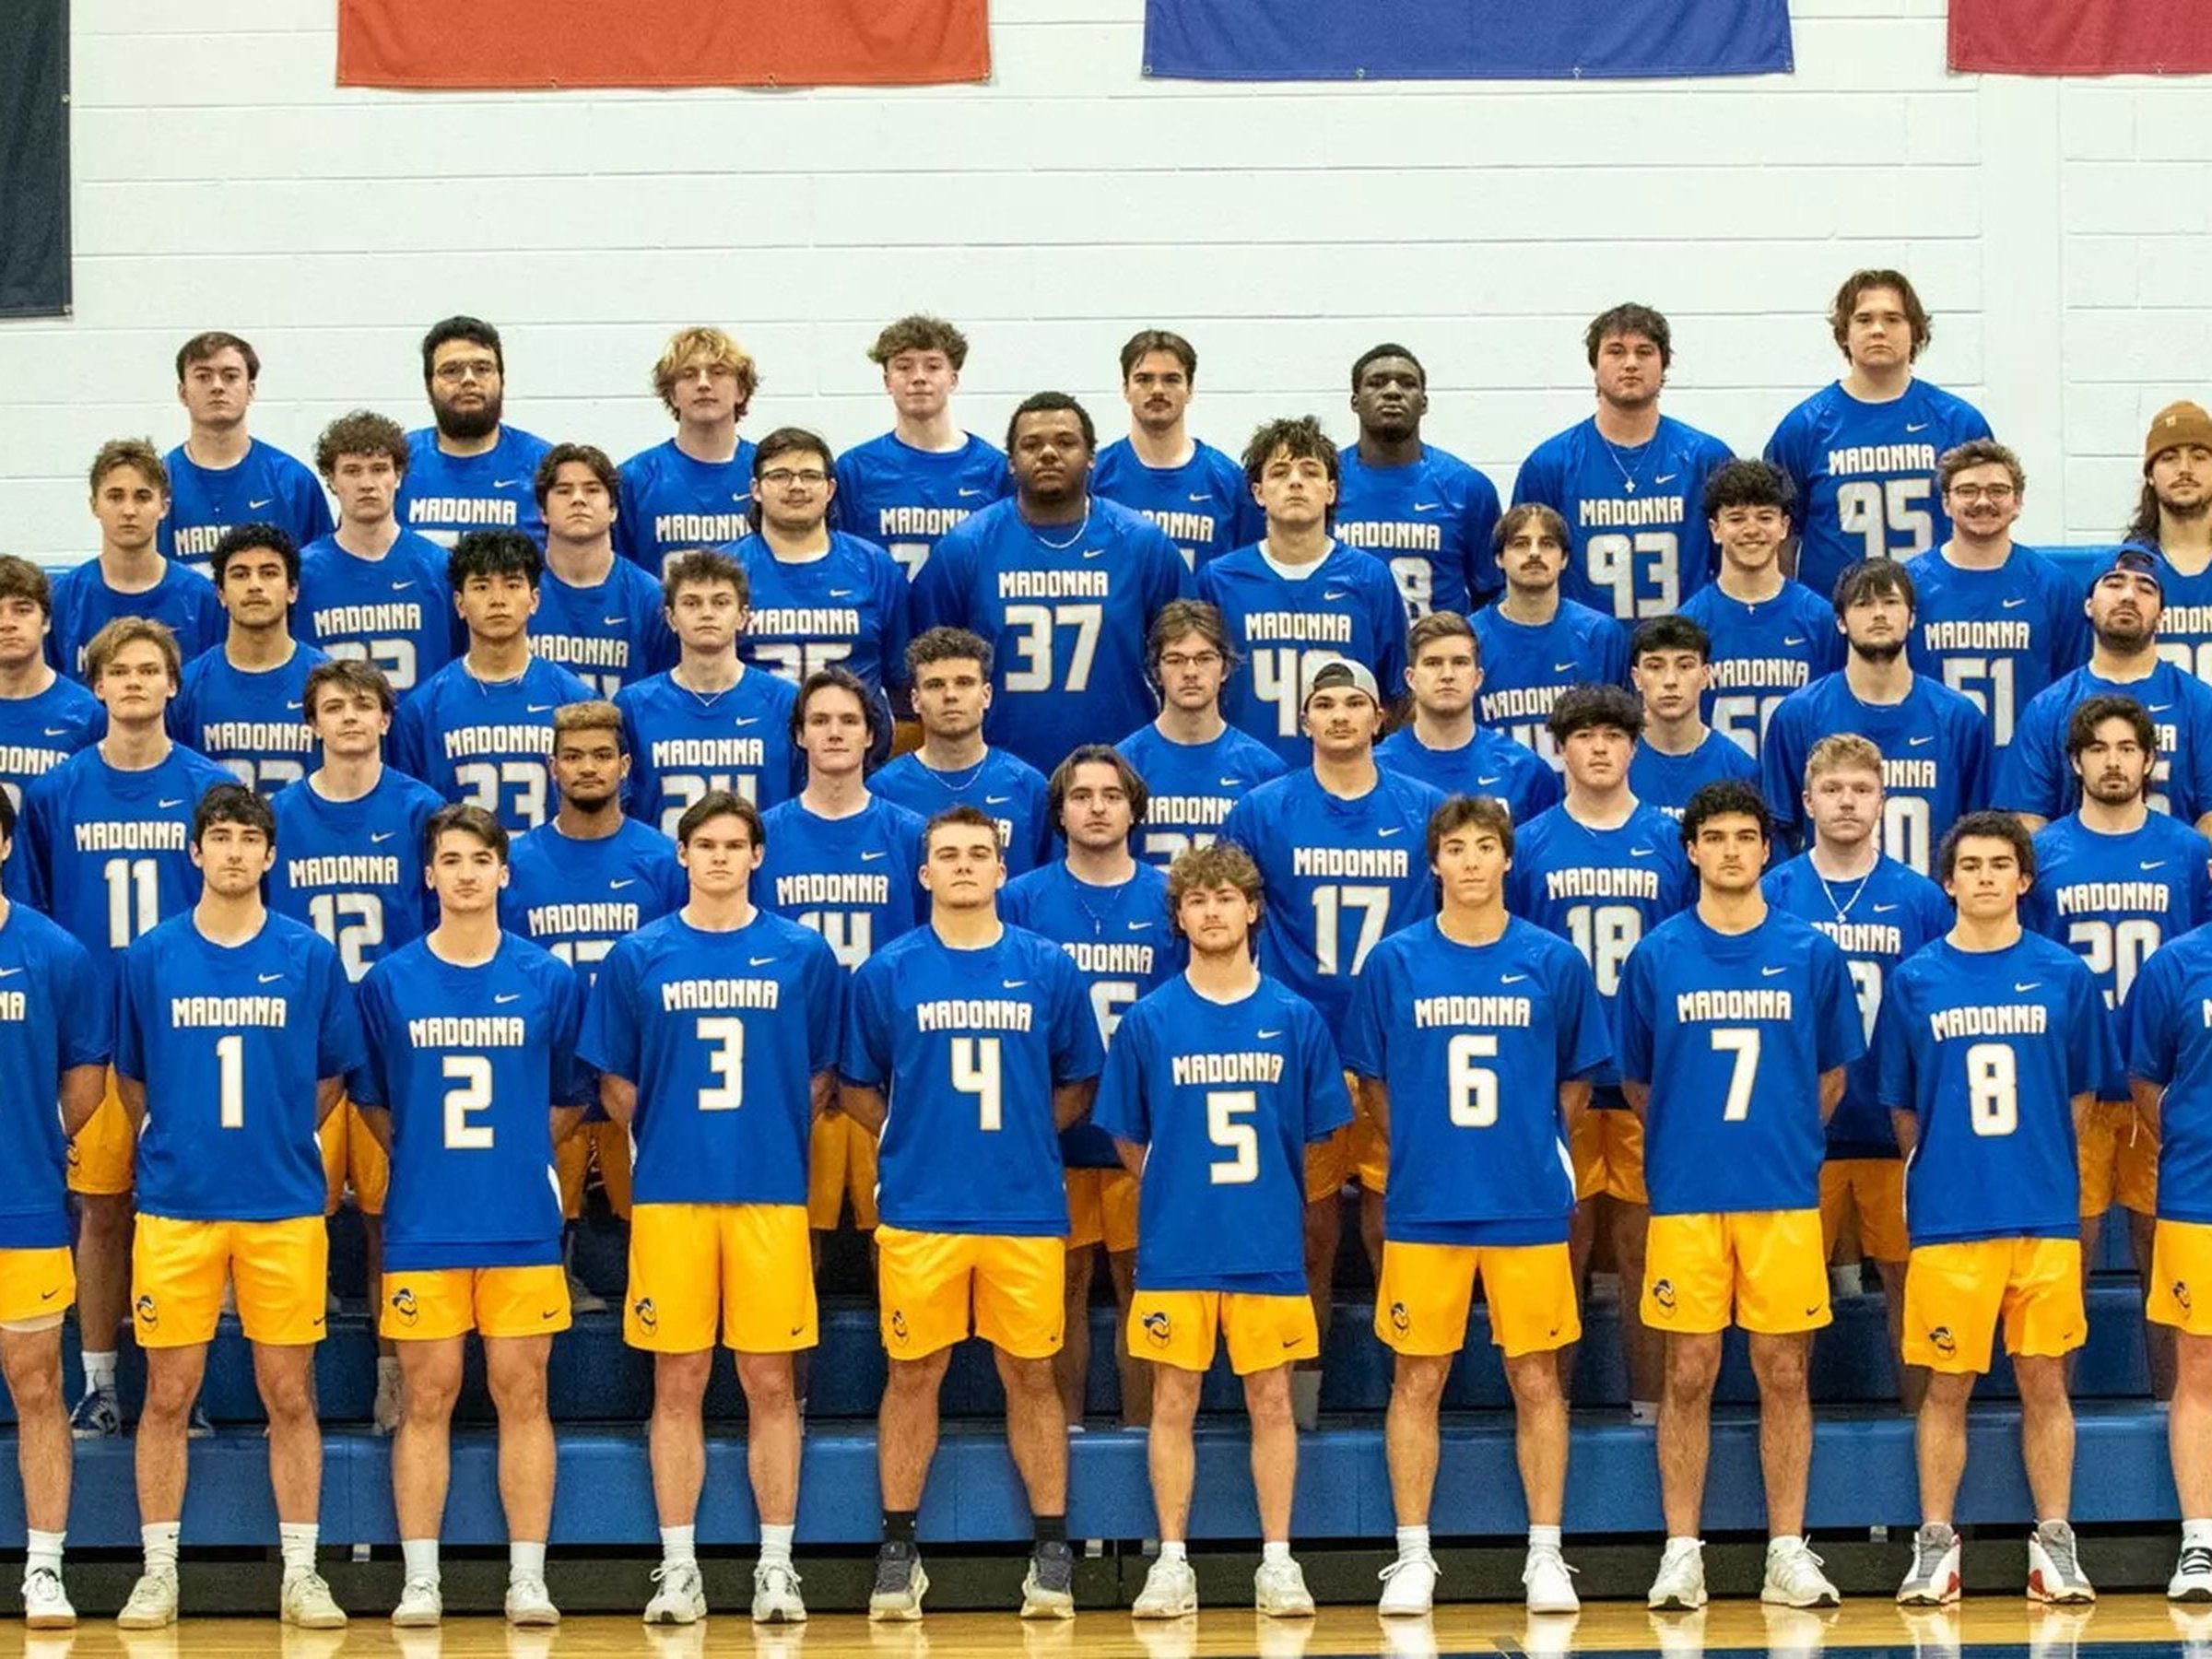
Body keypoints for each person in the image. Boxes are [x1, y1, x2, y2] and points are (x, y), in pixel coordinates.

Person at [1344, 795, 1611, 1617]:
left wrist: (1534, 1143)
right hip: (1427, 1204)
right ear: (1434, 863)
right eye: (1454, 848)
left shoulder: (1553, 961)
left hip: (1525, 1203)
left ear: (1506, 859)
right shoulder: (1394, 961)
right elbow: (1372, 1082)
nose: (1469, 861)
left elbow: (1577, 1081)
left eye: (1484, 846)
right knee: (1417, 1377)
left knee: (1537, 1377)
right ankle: (1412, 1556)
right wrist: (1420, 1149)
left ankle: (1546, 1554)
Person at [582, 790, 842, 1626]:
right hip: (671, 1196)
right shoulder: (639, 954)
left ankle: (777, 1566)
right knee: (679, 1378)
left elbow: (820, 1077)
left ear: (758, 856)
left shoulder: (802, 953)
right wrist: (669, 1138)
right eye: (707, 845)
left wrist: (763, 1133)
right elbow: (616, 1080)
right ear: (683, 857)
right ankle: (679, 1567)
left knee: (770, 1380)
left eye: (735, 844)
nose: (721, 857)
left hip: (769, 1193)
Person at [841, 805, 1105, 1621]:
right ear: (924, 873)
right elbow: (855, 1084)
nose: (963, 865)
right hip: (921, 1209)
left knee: (1030, 1374)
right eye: (948, 854)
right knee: (912, 1374)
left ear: (1001, 870)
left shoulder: (1047, 967)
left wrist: (1025, 1133)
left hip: (1023, 1209)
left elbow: (1078, 1079)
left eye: (978, 853)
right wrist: (912, 1135)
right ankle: (897, 1550)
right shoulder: (888, 972)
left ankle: (1052, 1550)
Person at [112, 783, 365, 1630]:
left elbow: (331, 1076)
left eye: (248, 838)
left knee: (289, 1391)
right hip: (177, 1204)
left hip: (281, 1204)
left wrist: (279, 1138)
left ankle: (303, 1572)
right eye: (218, 836)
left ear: (270, 855)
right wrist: (181, 1142)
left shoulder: (308, 955)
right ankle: (158, 1572)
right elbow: (132, 1079)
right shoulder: (150, 956)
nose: (232, 851)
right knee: (167, 1393)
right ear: (195, 851)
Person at [1618, 781, 1864, 1613]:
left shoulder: (1810, 953)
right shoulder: (1657, 955)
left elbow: (1831, 1078)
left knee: (1784, 1370)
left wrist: (1780, 1140)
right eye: (1714, 837)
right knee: (1689, 1369)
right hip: (1688, 1194)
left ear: (1767, 850)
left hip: (1781, 1194)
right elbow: (1640, 1082)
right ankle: (1681, 1551)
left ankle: (1786, 1550)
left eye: (1745, 837)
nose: (1730, 851)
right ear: (1691, 850)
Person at [354, 803, 590, 1629]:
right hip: (425, 1222)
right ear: (428, 874)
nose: (464, 874)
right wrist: (428, 1153)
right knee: (427, 1395)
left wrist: (517, 1150)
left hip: (519, 1220)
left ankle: (528, 1579)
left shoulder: (548, 979)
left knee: (524, 1392)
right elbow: (375, 1102)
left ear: (503, 873)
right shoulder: (388, 983)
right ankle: (421, 1581)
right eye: (450, 860)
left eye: (479, 860)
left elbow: (569, 1099)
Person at [1102, 840, 1348, 1619]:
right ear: (1179, 918)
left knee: (1270, 1400)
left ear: (1253, 910)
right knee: (1171, 1399)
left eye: (1225, 898)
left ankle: (1278, 1561)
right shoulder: (1149, 1021)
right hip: (1177, 1246)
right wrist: (1175, 1186)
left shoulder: (1294, 1018)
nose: (1211, 912)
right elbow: (1128, 1136)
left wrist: (1269, 1195)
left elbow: (1321, 1136)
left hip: (1266, 1245)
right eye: (1196, 900)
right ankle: (1171, 1562)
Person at [1879, 813, 2115, 1608]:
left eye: (2000, 864)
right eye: (1971, 865)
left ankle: (2054, 1545)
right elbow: (1904, 1108)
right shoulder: (1915, 980)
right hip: (1951, 1216)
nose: (1985, 877)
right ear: (1947, 882)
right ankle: (1935, 1546)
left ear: (2024, 879)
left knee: (2045, 1382)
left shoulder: (2065, 975)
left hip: (2042, 1215)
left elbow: (2080, 1098)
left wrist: (2037, 1165)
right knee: (1946, 1385)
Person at [18, 619, 232, 1442]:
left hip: (188, 1030)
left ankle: (186, 1386)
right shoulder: (57, 792)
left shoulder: (210, 787)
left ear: (173, 683)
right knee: (102, 1211)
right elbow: (34, 920)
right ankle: (101, 1383)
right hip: (94, 1032)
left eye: (150, 669)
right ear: (97, 685)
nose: (135, 682)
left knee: (188, 1215)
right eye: (120, 670)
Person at [1219, 658, 1446, 1428]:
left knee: (1394, 1227)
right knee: (1309, 1233)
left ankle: (1406, 1399)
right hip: (1301, 1048)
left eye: (1355, 702)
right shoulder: (1262, 810)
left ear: (1380, 718)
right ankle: (1301, 1404)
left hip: (1397, 1048)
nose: (1341, 715)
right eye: (1326, 703)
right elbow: (1229, 919)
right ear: (1304, 719)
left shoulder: (1425, 808)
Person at [1508, 683, 1695, 1420]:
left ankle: (1649, 1410)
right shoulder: (1529, 844)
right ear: (1561, 749)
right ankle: (1551, 1413)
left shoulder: (1669, 842)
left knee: (1646, 1254)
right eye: (1584, 737)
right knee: (1564, 1251)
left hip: (1647, 1075)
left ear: (1634, 747)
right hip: (1560, 1080)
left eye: (1613, 736)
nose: (1599, 749)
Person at [270, 658, 446, 1435]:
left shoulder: (419, 809)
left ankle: (391, 1376)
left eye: (362, 704)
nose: (348, 717)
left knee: (385, 1214)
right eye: (333, 705)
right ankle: (291, 1385)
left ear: (385, 719)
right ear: (312, 722)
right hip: (301, 1038)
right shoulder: (278, 814)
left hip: (387, 1035)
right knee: (295, 1216)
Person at [2027, 696, 2212, 1401]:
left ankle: (2176, 1413)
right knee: (2063, 1265)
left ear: (2149, 760)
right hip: (2072, 1090)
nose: (2113, 762)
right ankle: (2059, 1419)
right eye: (2098, 748)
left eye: (2127, 748)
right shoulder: (2044, 854)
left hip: (2161, 1087)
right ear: (2076, 762)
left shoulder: (2188, 852)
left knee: (2165, 1262)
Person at [1763, 735, 1953, 1410]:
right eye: (1833, 789)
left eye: (1862, 789)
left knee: (1912, 1290)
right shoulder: (1774, 891)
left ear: (1883, 800)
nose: (1847, 802)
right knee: (1791, 1301)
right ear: (1807, 800)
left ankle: (1921, 1429)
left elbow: (1939, 1009)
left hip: (1892, 1126)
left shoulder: (1920, 898)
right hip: (1800, 1135)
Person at [1005, 747, 1181, 1435]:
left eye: (1112, 795)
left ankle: (1144, 1440)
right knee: (1064, 1289)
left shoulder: (1169, 897)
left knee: (1144, 1288)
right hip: (1057, 1126)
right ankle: (1065, 1436)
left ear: (1135, 811)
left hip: (1143, 1129)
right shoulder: (1022, 899)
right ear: (1059, 813)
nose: (1098, 808)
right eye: (1081, 796)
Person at [500, 701, 686, 1302]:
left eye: (602, 755)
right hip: (549, 1071)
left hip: (634, 1069)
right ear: (551, 766)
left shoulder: (663, 860)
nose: (588, 768)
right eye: (574, 756)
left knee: (655, 1237)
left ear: (625, 766)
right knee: (543, 1227)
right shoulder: (516, 863)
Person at [912, 392, 1194, 776]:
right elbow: (927, 664)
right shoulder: (966, 547)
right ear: (1010, 462)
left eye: (1065, 442)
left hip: (1119, 771)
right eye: (1031, 445)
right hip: (997, 772)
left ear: (1092, 456)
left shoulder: (1141, 543)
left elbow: (1186, 655)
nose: (1048, 454)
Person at [755, 670, 927, 1248]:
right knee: (790, 1239)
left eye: (849, 720)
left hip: (885, 1056)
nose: (834, 732)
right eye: (820, 720)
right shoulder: (763, 837)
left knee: (899, 1235)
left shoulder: (909, 834)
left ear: (871, 734)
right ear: (798, 734)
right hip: (793, 1049)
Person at [0, 785, 110, 1630]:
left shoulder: (56, 953)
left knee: (37, 1384)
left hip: (24, 1205)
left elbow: (86, 1078)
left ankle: (45, 1568)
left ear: (5, 847)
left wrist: (37, 1142)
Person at [1764, 269, 1994, 604]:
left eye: (1893, 318)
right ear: (1844, 334)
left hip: (1937, 609)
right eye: (1864, 319)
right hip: (1837, 616)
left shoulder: (1959, 423)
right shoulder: (1804, 427)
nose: (1878, 330)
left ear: (1916, 331)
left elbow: (1988, 527)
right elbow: (1779, 538)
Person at [1197, 415, 1408, 767]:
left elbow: (1394, 695)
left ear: (1331, 491)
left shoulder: (1370, 577)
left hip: (1344, 776)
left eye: (1310, 472)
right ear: (1258, 492)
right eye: (1280, 472)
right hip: (1244, 776)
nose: (1295, 482)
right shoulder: (1219, 580)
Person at [1762, 559, 1994, 873]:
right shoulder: (1797, 715)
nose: (1879, 614)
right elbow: (1780, 830)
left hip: (1934, 899)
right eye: (1863, 604)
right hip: (1827, 899)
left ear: (1912, 617)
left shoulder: (1960, 718)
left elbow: (1981, 833)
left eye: (1891, 602)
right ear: (1840, 621)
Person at [1513, 303, 1735, 629]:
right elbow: (1522, 574)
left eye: (1644, 351)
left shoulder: (1706, 458)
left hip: (1682, 647)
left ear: (1663, 365)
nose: (1630, 363)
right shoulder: (1550, 464)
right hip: (1584, 646)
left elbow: (1733, 567)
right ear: (1594, 365)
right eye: (1616, 351)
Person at [2122, 874, 2212, 1599]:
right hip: (2197, 1196)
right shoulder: (2174, 965)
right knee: (2199, 1368)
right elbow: (2147, 1086)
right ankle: (2200, 1540)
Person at [390, 528, 595, 830]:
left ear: (534, 599)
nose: (498, 600)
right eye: (482, 587)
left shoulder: (576, 700)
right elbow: (409, 818)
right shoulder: (421, 710)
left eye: (512, 585)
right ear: (460, 604)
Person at [2001, 548, 2212, 836]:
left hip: (2174, 865)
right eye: (2114, 584)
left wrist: (2178, 861)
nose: (2128, 596)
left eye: (2145, 589)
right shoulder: (2047, 709)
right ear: (2088, 605)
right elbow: (2028, 820)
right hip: (2075, 866)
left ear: (2162, 616)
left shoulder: (2201, 704)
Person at [1905, 441, 2086, 755]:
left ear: (2018, 502)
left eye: (1997, 491)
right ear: (1946, 503)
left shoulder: (2054, 586)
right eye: (1967, 491)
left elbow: (2073, 692)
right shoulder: (1909, 585)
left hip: (2026, 766)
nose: (1983, 501)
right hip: (1937, 763)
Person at [732, 427, 912, 740]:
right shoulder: (726, 569)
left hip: (855, 754)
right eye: (780, 475)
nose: (796, 486)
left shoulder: (875, 567)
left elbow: (900, 676)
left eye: (810, 475)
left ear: (830, 489)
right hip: (757, 749)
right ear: (756, 489)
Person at [616, 549, 799, 836]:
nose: (707, 613)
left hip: (760, 861)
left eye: (721, 602)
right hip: (664, 862)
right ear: (671, 618)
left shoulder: (784, 702)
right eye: (691, 603)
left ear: (743, 616)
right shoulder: (633, 706)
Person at [1678, 460, 1841, 766]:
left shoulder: (1821, 620)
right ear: (1715, 529)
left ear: (1784, 526)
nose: (1751, 530)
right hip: (1717, 789)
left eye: (1765, 517)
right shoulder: (1687, 624)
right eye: (1736, 518)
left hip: (1798, 786)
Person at [297, 409, 459, 696]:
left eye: (379, 469)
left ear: (398, 476)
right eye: (352, 471)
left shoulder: (439, 567)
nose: (367, 484)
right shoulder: (302, 573)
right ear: (331, 480)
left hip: (416, 724)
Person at [835, 314, 1009, 581]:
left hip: (964, 609)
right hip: (889, 608)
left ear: (953, 379)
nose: (918, 378)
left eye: (933, 366)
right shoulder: (854, 468)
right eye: (904, 367)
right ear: (887, 381)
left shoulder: (994, 468)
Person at [1335, 343, 1502, 619]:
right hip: (1349, 644)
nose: (1392, 391)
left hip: (1432, 645)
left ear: (1424, 403)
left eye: (1407, 383)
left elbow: (1493, 594)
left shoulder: (1468, 488)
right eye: (1376, 383)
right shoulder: (1323, 482)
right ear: (1355, 401)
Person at [1115, 599, 1288, 866]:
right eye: (1175, 660)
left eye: (1205, 658)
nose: (1190, 672)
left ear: (1225, 668)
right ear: (1156, 672)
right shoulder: (1123, 765)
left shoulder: (1264, 770)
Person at [873, 627, 1053, 876]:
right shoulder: (884, 791)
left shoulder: (1030, 787)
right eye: (935, 685)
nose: (950, 695)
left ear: (986, 695)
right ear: (915, 700)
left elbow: (1049, 882)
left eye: (964, 683)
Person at [168, 524, 329, 795]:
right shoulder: (188, 687)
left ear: (292, 590)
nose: (255, 585)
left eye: (269, 573)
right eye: (240, 574)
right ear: (220, 594)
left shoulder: (328, 683)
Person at [1470, 503, 1628, 769]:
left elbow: (1623, 731)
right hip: (1496, 789)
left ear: (1564, 558)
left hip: (1581, 789)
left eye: (1547, 544)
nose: (1534, 553)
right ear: (1499, 558)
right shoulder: (1470, 638)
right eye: (1520, 544)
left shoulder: (1601, 635)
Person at [159, 331, 332, 572]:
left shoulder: (292, 481)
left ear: (250, 390)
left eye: (230, 376)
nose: (217, 386)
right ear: (182, 393)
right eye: (203, 376)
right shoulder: (155, 482)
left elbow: (321, 574)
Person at [1090, 329, 1262, 570]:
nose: (1157, 390)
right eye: (1144, 379)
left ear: (1189, 389)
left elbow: (1250, 571)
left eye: (1171, 379)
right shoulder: (1094, 477)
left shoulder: (1229, 480)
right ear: (1126, 389)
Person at [50, 440, 222, 678]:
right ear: (94, 505)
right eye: (115, 497)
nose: (129, 511)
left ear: (164, 507)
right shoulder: (63, 598)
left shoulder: (201, 598)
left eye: (142, 497)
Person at [1375, 610, 1559, 822]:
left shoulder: (1524, 770)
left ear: (1478, 678)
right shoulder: (1377, 768)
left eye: (1460, 662)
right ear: (1410, 678)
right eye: (1433, 663)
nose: (1447, 675)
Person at [529, 443, 677, 697]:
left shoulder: (651, 598)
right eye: (564, 491)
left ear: (613, 510)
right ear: (543, 512)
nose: (578, 499)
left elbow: (665, 695)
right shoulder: (517, 591)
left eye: (592, 489)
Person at [614, 325, 762, 576]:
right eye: (689, 374)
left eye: (718, 372)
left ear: (741, 391)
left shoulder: (768, 473)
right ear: (672, 394)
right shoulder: (634, 478)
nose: (703, 384)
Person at [396, 315, 551, 547]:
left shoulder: (545, 465)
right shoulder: (393, 462)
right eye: (451, 370)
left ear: (502, 381)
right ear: (428, 387)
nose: (468, 380)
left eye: (482, 369)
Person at [0, 557, 102, 900]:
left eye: (22, 609)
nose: (7, 623)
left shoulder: (86, 714)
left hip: (56, 895)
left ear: (46, 621)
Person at [1626, 614, 1759, 819]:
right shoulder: (1616, 762)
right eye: (1655, 667)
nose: (1670, 681)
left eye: (1685, 666)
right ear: (1636, 678)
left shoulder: (1739, 768)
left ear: (1705, 676)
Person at [2124, 400, 2212, 680]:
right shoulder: (2127, 570)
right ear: (2150, 474)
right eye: (2169, 457)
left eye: (2199, 456)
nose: (2185, 469)